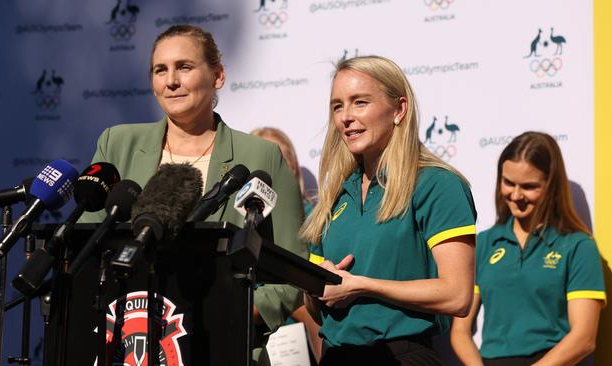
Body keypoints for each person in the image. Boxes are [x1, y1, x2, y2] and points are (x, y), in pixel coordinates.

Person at [80, 24, 307, 364]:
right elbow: (87, 245)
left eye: (184, 67)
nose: (171, 81)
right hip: (129, 344)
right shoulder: (116, 144)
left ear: (218, 75)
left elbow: (294, 271)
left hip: (221, 347)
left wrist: (237, 310)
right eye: (160, 70)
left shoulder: (262, 157)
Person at [300, 55, 477, 365]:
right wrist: (317, 286)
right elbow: (314, 309)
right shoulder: (333, 196)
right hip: (336, 357)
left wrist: (362, 286)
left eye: (360, 102)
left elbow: (457, 295)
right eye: (337, 106)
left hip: (404, 355)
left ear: (399, 109)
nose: (345, 117)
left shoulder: (437, 185)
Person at [450, 131, 607, 366]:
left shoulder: (577, 246)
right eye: (508, 183)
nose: (515, 195)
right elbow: (460, 331)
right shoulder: (484, 243)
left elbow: (583, 338)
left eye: (529, 186)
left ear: (551, 186)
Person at [251, 126, 323, 363]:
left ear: (293, 166)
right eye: (265, 161)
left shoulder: (318, 219)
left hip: (306, 340)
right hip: (254, 341)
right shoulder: (240, 226)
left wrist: (293, 306)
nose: (275, 168)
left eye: (282, 159)